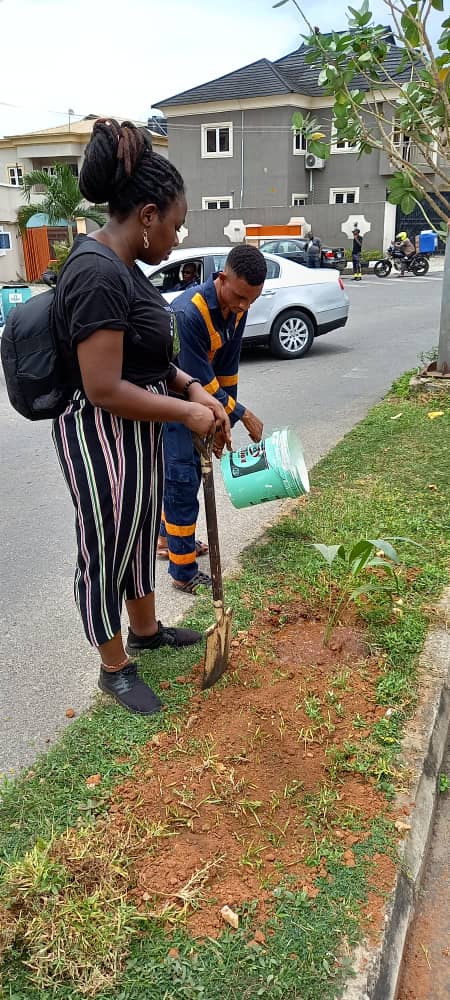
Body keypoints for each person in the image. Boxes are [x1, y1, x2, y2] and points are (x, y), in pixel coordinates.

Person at [52, 118, 231, 716]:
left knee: (134, 535)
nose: (177, 239)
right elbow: (103, 386)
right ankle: (114, 667)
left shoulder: (126, 268)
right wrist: (185, 410)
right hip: (100, 431)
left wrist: (198, 393)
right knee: (105, 542)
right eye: (177, 226)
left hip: (136, 427)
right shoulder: (96, 272)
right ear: (148, 214)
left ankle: (146, 631)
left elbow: (150, 359)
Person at [157, 245, 267, 593]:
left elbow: (227, 371)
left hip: (200, 403)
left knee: (186, 473)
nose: (244, 307)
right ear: (221, 279)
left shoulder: (238, 306)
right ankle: (183, 570)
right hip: (172, 403)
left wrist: (226, 422)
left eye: (252, 300)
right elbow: (201, 381)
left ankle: (168, 541)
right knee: (182, 482)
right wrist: (241, 414)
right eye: (239, 297)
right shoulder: (190, 313)